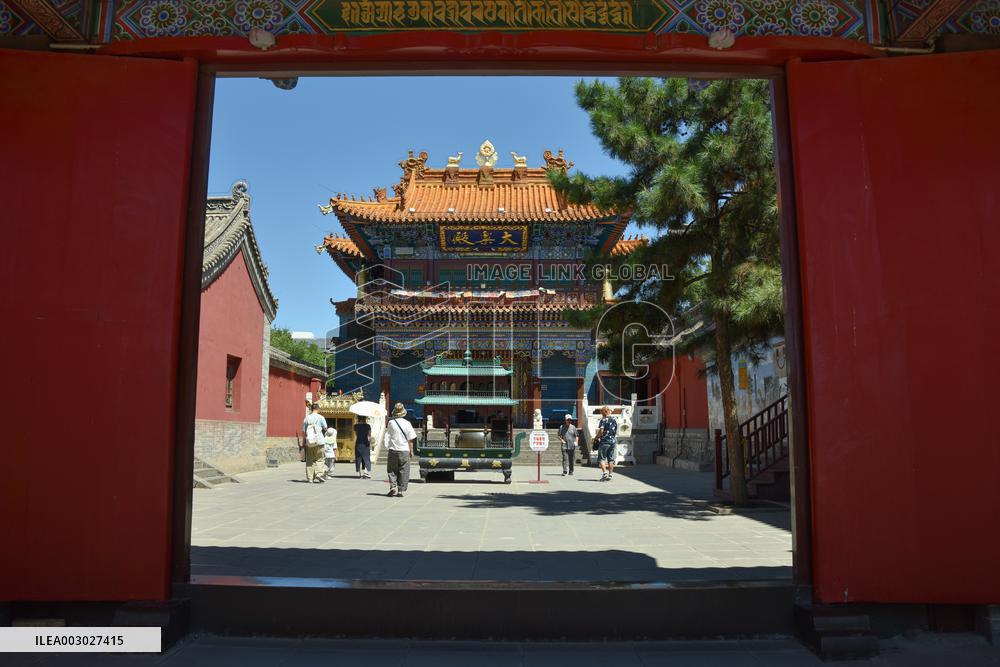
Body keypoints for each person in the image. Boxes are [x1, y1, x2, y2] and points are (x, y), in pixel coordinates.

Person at [384, 402, 417, 498]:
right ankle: (400, 490)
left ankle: (392, 487)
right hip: (404, 450)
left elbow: (388, 435)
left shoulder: (391, 423)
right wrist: (411, 451)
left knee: (392, 469)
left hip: (393, 449)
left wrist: (387, 446)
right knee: (404, 470)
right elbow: (410, 439)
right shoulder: (407, 423)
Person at [302, 403, 328, 483]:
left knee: (309, 459)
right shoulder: (321, 417)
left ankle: (310, 478)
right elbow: (325, 428)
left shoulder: (307, 418)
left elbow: (304, 431)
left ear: (311, 409)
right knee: (320, 459)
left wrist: (304, 442)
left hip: (310, 442)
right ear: (318, 409)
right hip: (319, 441)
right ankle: (319, 474)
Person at [595, 405, 618, 482]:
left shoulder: (603, 420)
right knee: (611, 459)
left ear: (605, 411)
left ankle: (605, 473)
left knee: (601, 458)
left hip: (605, 441)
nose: (601, 413)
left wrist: (596, 438)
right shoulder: (614, 420)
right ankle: (610, 475)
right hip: (613, 442)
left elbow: (601, 431)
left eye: (602, 412)